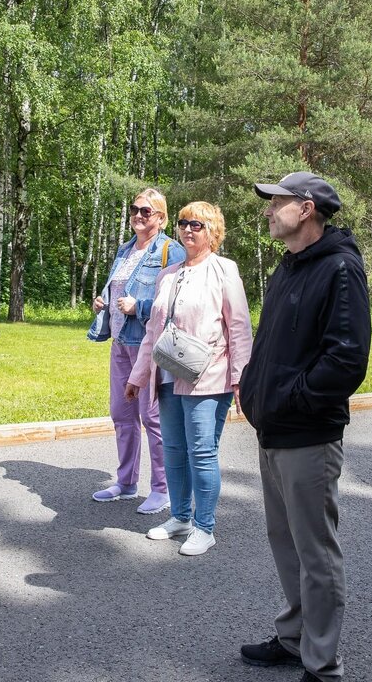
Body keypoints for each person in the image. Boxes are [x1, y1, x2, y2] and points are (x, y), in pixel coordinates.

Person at [238, 172, 371, 682]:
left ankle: (323, 664)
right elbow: (273, 343)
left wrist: (291, 401)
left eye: (277, 202)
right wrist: (253, 389)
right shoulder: (289, 266)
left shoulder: (339, 268)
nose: (268, 211)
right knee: (286, 542)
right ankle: (294, 638)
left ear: (307, 207)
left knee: (316, 552)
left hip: (307, 435)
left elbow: (346, 360)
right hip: (273, 430)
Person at [125, 201, 252, 556]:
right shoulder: (169, 274)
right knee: (174, 450)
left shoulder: (224, 270)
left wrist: (241, 378)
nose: (187, 230)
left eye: (196, 224)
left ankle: (204, 527)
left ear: (213, 232)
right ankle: (180, 517)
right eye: (183, 223)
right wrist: (138, 376)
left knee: (202, 452)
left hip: (208, 377)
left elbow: (239, 327)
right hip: (167, 375)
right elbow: (152, 331)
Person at [87, 188, 186, 513]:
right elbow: (117, 288)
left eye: (146, 211)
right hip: (119, 342)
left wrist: (138, 306)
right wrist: (102, 303)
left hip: (149, 346)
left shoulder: (170, 251)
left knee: (153, 418)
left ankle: (162, 489)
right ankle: (126, 483)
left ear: (160, 217)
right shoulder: (125, 250)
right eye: (134, 209)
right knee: (122, 415)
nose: (138, 215)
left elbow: (176, 302)